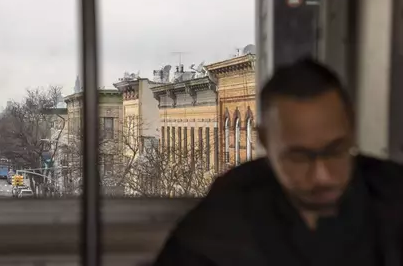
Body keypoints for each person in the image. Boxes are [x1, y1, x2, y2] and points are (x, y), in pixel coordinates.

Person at [154, 58, 403, 266]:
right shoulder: (228, 210)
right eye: (299, 157)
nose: (322, 175)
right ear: (265, 141)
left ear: (352, 129)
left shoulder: (393, 195)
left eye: (335, 150)